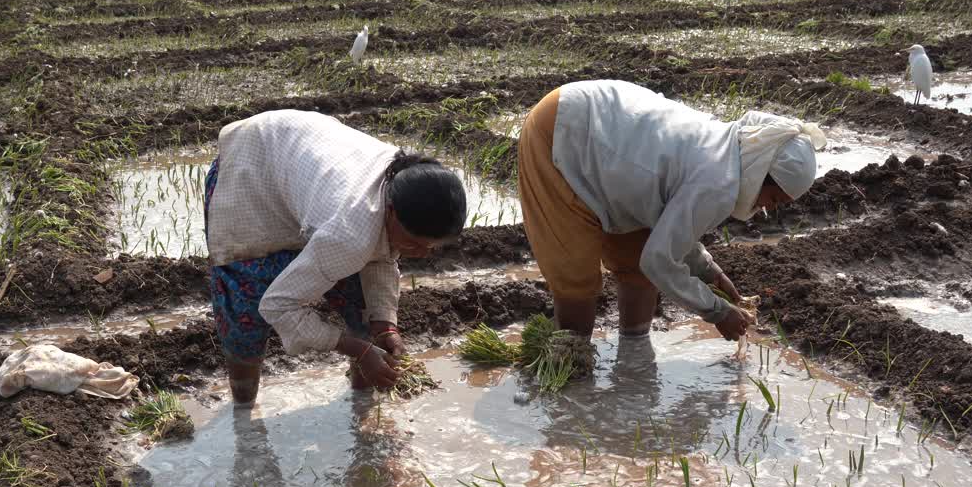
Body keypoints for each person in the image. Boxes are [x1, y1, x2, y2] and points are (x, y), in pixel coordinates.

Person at [518, 79, 826, 341]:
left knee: (636, 266)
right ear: (762, 172)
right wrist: (717, 312)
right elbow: (660, 261)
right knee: (577, 276)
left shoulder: (728, 153)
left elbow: (673, 225)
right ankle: (571, 363)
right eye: (774, 199)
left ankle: (635, 355)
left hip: (610, 139)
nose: (767, 209)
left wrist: (708, 270)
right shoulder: (719, 181)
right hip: (564, 129)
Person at [204, 110, 467, 406]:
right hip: (254, 167)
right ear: (391, 211)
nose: (420, 253)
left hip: (308, 170)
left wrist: (385, 325)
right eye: (413, 243)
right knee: (245, 304)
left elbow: (381, 256)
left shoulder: (410, 183)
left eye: (431, 247)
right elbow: (277, 305)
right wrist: (358, 349)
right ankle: (243, 415)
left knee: (363, 307)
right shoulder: (350, 232)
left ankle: (363, 404)